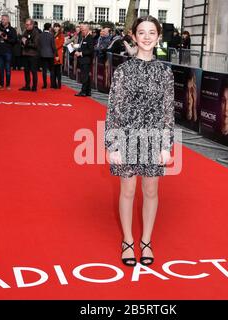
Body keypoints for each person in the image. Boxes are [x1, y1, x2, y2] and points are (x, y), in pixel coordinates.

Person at [104, 15, 175, 267]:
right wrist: (111, 145)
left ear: (158, 37)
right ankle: (127, 240)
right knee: (128, 190)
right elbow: (114, 108)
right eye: (141, 32)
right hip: (126, 136)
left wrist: (167, 146)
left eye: (151, 32)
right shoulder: (123, 71)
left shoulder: (165, 72)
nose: (146, 37)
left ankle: (146, 241)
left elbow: (168, 111)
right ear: (133, 36)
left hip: (154, 137)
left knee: (151, 190)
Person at [0, 14, 17, 90]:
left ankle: (8, 84)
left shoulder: (12, 30)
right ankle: (1, 84)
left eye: (4, 19)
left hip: (8, 51)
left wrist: (6, 38)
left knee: (7, 69)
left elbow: (15, 40)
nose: (2, 20)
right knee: (0, 69)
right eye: (2, 19)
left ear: (8, 20)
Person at [19, 18, 39, 91]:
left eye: (28, 24)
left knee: (33, 71)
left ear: (32, 25)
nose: (26, 26)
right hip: (26, 54)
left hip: (33, 55)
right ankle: (27, 86)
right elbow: (22, 40)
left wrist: (26, 42)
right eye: (26, 24)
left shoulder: (36, 32)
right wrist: (22, 42)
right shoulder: (25, 31)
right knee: (26, 71)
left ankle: (34, 87)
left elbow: (36, 45)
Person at [74, 23, 94, 97]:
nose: (82, 31)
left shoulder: (90, 38)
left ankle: (83, 91)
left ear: (87, 30)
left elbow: (91, 50)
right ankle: (88, 91)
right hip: (83, 60)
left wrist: (81, 53)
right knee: (86, 76)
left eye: (84, 30)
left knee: (85, 76)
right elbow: (82, 47)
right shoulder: (84, 37)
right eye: (82, 30)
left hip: (86, 60)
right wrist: (78, 51)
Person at [39, 22, 56, 89]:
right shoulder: (51, 35)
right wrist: (55, 53)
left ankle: (45, 84)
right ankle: (52, 84)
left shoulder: (41, 35)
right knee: (52, 70)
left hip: (43, 54)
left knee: (44, 71)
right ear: (49, 28)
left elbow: (39, 45)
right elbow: (53, 46)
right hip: (50, 54)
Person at [52, 23, 64, 89]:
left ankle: (59, 84)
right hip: (53, 54)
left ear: (59, 28)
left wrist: (53, 47)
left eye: (57, 27)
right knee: (53, 70)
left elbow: (60, 43)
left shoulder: (61, 35)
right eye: (55, 27)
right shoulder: (53, 34)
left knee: (58, 70)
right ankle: (54, 84)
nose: (56, 28)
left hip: (58, 54)